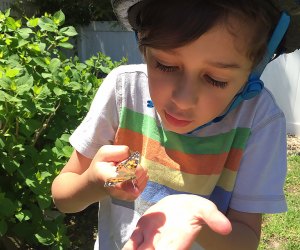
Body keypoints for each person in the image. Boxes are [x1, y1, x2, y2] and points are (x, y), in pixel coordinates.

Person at [51, 0, 300, 249]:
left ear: (252, 73)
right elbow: (63, 197)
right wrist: (94, 183)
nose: (183, 100)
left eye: (216, 79)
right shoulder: (123, 93)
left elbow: (245, 240)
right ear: (143, 46)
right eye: (166, 65)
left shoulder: (258, 119)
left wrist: (199, 219)